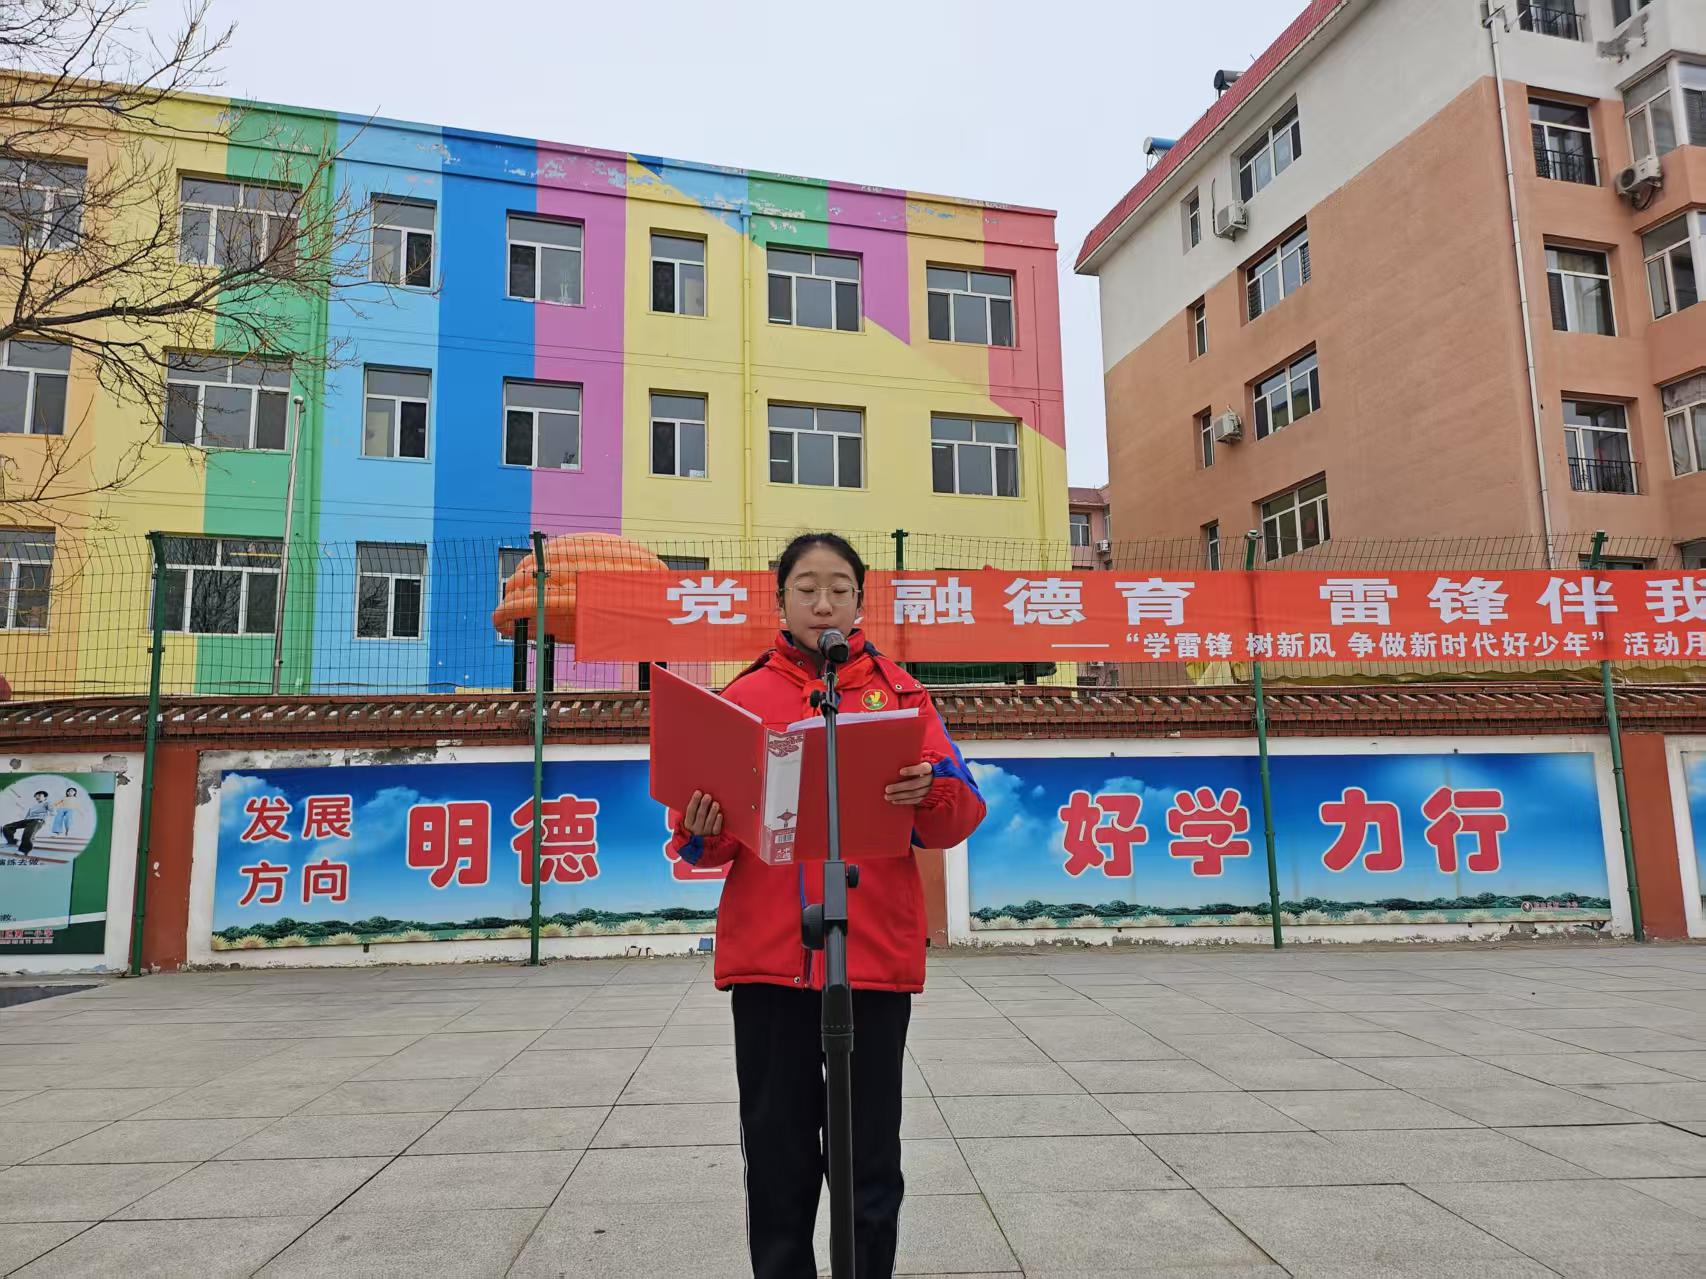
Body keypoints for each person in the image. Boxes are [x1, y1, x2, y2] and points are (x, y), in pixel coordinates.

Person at [667, 532, 986, 1279]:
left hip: (870, 959)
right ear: (780, 601)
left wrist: (929, 790)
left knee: (869, 1157)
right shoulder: (742, 699)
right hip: (770, 963)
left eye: (839, 588)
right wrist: (701, 826)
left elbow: (958, 815)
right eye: (806, 588)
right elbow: (699, 846)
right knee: (776, 1155)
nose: (823, 603)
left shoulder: (901, 695)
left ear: (859, 601)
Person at [2, 789, 54, 854]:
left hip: (38, 820)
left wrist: (44, 817)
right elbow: (28, 815)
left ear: (45, 797)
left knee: (27, 832)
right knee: (7, 827)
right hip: (28, 820)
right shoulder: (33, 806)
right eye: (36, 796)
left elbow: (53, 812)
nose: (37, 797)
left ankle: (24, 850)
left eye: (40, 795)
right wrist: (24, 821)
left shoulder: (47, 803)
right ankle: (12, 841)